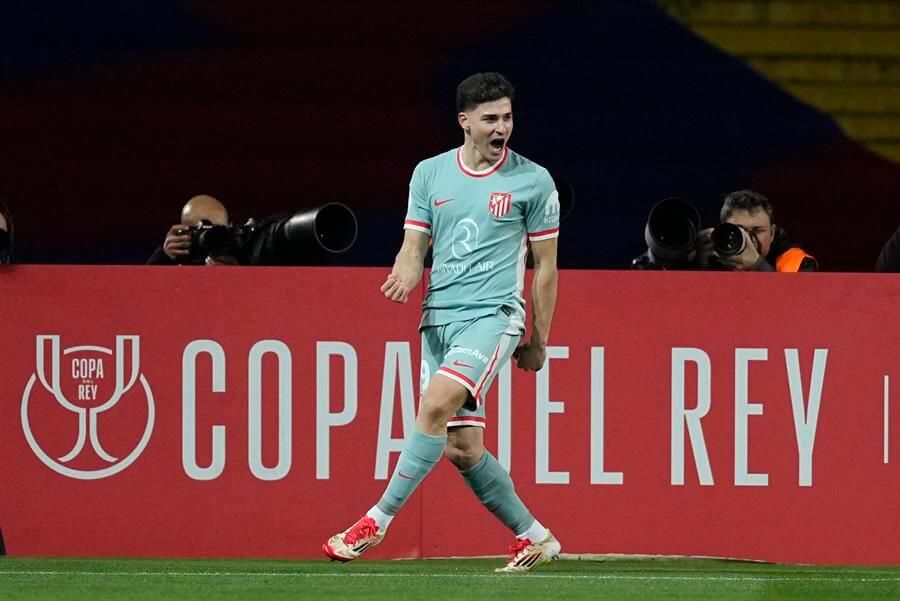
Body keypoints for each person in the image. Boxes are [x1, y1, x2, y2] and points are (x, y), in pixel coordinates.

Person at [322, 72, 562, 573]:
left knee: (433, 407)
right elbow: (414, 248)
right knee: (461, 446)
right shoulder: (429, 174)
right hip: (437, 321)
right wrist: (404, 275)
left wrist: (539, 339)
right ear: (465, 121)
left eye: (508, 117)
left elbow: (545, 269)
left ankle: (376, 521)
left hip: (492, 316)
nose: (502, 128)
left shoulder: (533, 181)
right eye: (491, 118)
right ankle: (534, 536)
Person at [697, 190, 817, 272]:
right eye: (739, 230)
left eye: (758, 230)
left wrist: (757, 264)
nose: (749, 239)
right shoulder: (714, 254)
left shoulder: (795, 261)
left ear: (772, 233)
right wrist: (697, 268)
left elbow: (795, 304)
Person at [147, 195, 238, 265]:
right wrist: (163, 258)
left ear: (229, 230)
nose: (208, 240)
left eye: (216, 232)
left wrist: (237, 273)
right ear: (181, 232)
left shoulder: (238, 256)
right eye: (198, 232)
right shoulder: (172, 260)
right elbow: (145, 286)